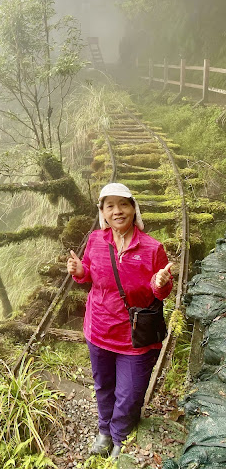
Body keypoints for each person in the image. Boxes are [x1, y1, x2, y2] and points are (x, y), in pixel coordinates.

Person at [67, 182, 173, 460]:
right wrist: (81, 271)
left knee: (129, 394)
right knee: (103, 386)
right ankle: (104, 430)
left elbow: (160, 292)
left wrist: (160, 283)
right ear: (103, 212)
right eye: (110, 206)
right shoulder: (95, 240)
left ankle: (120, 436)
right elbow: (89, 274)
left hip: (135, 337)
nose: (117, 211)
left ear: (133, 208)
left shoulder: (152, 248)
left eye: (123, 204)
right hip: (98, 329)